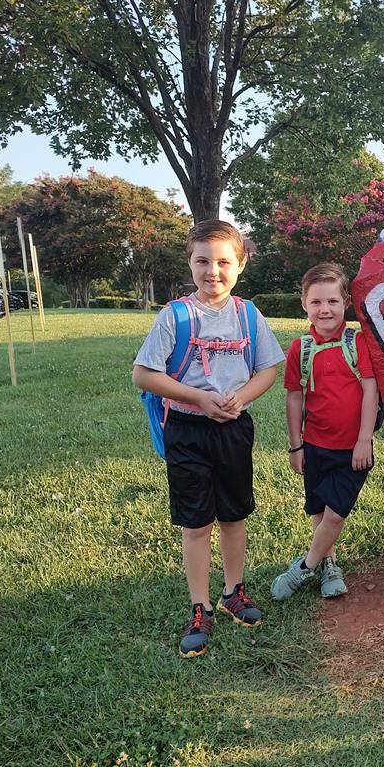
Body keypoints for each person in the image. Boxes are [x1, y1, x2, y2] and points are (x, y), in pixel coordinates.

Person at [133, 219, 285, 658]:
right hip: (187, 430)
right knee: (196, 522)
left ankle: (233, 591)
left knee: (234, 515)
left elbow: (268, 369)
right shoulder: (175, 316)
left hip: (234, 428)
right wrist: (198, 398)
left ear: (240, 265)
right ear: (191, 263)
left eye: (223, 262)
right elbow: (144, 374)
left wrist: (239, 397)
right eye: (203, 261)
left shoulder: (248, 314)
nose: (212, 271)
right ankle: (200, 605)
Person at [271, 262, 379, 601]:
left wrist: (364, 439)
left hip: (353, 450)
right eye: (316, 302)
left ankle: (304, 566)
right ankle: (329, 565)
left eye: (332, 301)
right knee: (318, 510)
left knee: (335, 514)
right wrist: (295, 446)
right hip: (314, 445)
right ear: (304, 304)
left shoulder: (357, 343)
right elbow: (294, 397)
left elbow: (372, 390)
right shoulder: (299, 349)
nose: (325, 309)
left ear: (345, 302)